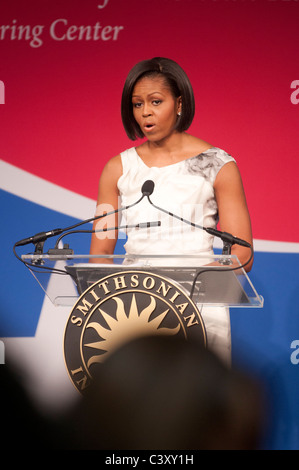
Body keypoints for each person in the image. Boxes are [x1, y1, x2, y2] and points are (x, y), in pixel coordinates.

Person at [89, 57, 253, 364]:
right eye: (137, 104)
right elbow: (99, 254)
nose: (146, 112)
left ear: (179, 104)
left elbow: (242, 254)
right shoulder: (117, 168)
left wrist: (184, 288)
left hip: (199, 307)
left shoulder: (218, 165)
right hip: (135, 308)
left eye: (155, 101)